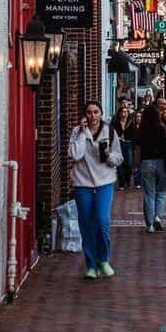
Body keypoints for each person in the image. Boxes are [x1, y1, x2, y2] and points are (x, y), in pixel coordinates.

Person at [69, 100, 123, 280]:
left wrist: (108, 155)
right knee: (87, 225)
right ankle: (91, 265)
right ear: (85, 115)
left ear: (101, 113)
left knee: (102, 221)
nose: (93, 116)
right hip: (82, 183)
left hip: (104, 181)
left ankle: (103, 259)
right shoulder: (77, 132)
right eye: (89, 113)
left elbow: (118, 157)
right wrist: (83, 133)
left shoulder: (110, 131)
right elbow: (75, 155)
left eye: (96, 112)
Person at [135, 94, 166, 232]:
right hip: (161, 162)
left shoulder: (142, 129)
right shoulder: (161, 128)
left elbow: (137, 143)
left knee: (149, 193)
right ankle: (158, 217)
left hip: (147, 162)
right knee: (161, 192)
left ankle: (150, 224)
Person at [111, 101, 135, 190]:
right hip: (118, 143)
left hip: (128, 143)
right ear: (120, 113)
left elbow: (134, 133)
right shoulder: (115, 122)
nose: (124, 113)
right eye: (123, 112)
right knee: (119, 163)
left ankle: (128, 180)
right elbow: (112, 132)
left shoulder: (131, 121)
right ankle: (121, 183)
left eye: (126, 112)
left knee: (129, 163)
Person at [131, 110, 143, 188]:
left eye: (140, 116)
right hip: (134, 147)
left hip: (141, 148)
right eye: (137, 116)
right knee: (135, 166)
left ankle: (139, 182)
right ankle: (136, 182)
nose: (139, 118)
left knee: (140, 166)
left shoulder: (144, 127)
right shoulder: (132, 127)